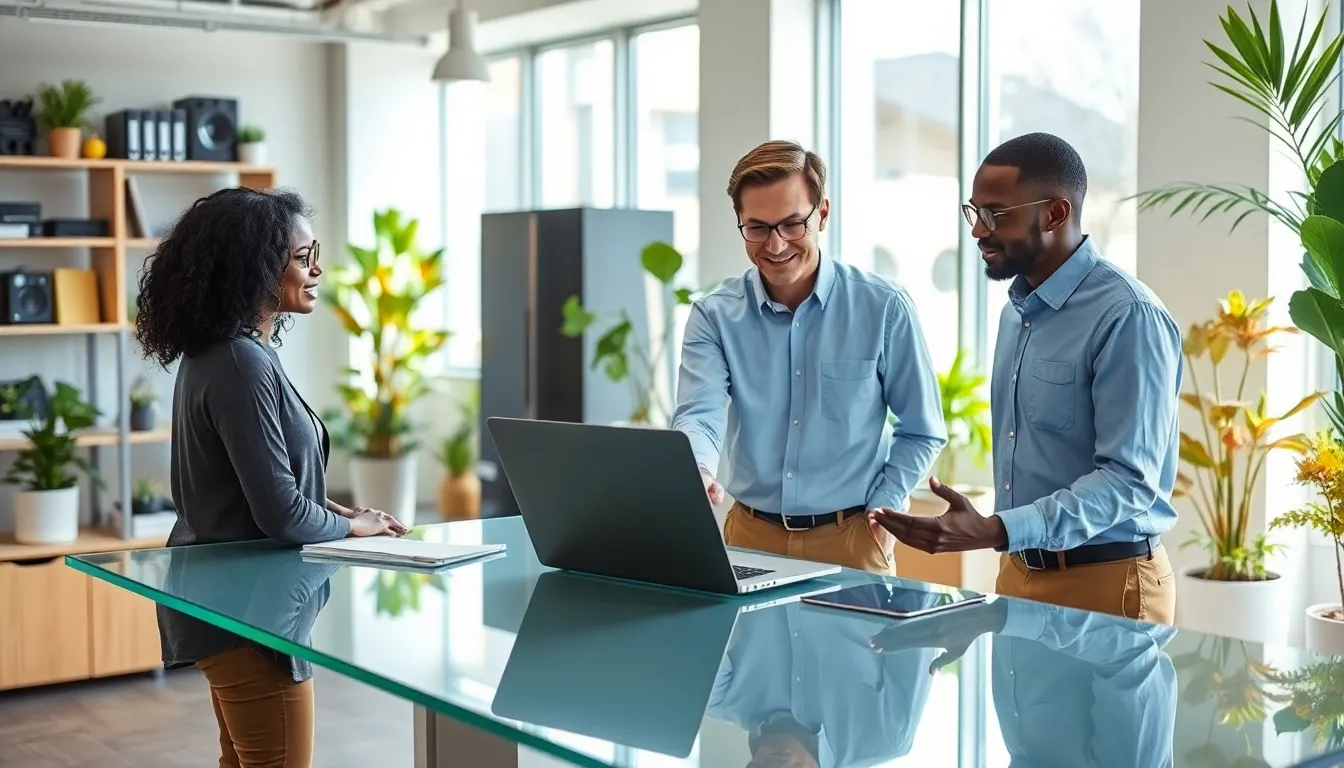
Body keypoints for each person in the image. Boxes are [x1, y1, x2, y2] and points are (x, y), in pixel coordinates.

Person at [134, 187, 409, 768]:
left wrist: (341, 513)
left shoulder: (226, 353)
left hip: (230, 604)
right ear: (255, 268)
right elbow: (281, 513)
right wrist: (352, 527)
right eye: (303, 257)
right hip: (250, 617)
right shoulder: (241, 362)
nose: (317, 270)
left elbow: (262, 484)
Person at [873, 132, 1181, 624]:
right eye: (974, 212)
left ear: (1055, 213)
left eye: (996, 214)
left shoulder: (1128, 316)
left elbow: (1128, 482)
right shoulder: (1016, 313)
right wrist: (1004, 539)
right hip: (1017, 573)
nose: (979, 230)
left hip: (1109, 581)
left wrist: (997, 529)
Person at [671, 139, 946, 575]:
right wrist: (699, 469)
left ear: (822, 213)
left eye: (792, 224)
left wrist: (885, 508)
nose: (776, 245)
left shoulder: (884, 308)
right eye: (757, 228)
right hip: (749, 538)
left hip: (852, 538)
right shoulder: (714, 316)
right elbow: (699, 414)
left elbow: (922, 429)